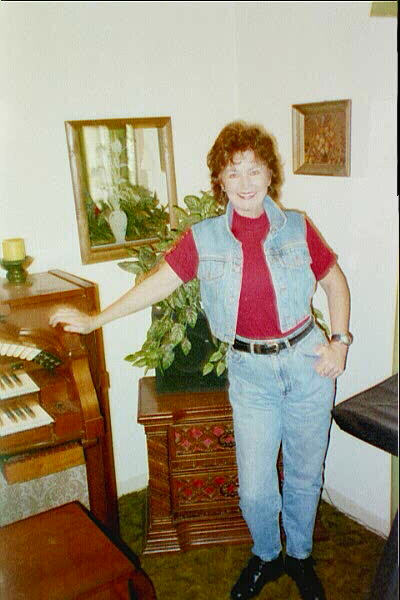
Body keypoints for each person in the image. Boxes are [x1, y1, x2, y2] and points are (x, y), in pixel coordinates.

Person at [50, 121, 351, 600]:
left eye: (255, 170)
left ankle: (299, 556)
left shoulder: (297, 227)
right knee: (255, 488)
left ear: (270, 175)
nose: (246, 182)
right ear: (221, 181)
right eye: (234, 172)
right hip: (251, 373)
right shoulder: (204, 238)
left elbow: (335, 282)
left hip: (307, 364)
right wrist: (95, 320)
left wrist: (339, 342)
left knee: (304, 475)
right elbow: (157, 284)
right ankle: (267, 555)